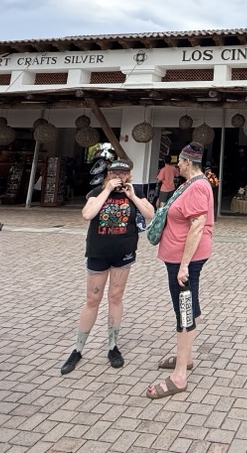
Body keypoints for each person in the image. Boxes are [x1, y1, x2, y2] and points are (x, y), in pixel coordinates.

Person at [60, 159, 155, 375]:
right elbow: (87, 214)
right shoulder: (97, 191)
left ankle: (112, 345)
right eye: (114, 173)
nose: (118, 177)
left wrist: (132, 196)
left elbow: (150, 214)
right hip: (98, 252)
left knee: (115, 296)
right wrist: (106, 191)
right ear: (108, 174)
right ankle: (78, 348)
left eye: (122, 173)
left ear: (128, 175)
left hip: (123, 251)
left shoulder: (135, 191)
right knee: (92, 299)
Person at [146, 142, 214, 400]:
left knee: (183, 310)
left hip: (185, 259)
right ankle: (186, 356)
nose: (177, 166)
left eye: (180, 162)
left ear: (187, 162)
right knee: (187, 305)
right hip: (178, 256)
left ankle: (179, 376)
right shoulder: (191, 184)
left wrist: (184, 264)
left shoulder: (197, 187)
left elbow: (197, 226)